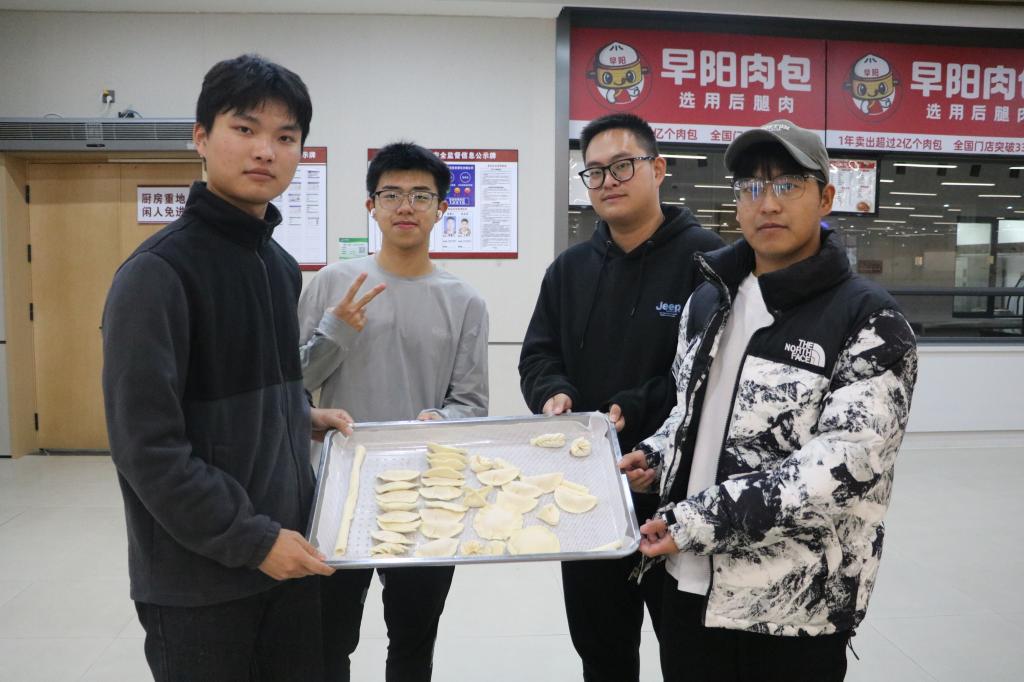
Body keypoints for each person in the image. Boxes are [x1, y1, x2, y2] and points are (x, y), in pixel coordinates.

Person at [619, 119, 918, 682]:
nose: (768, 203)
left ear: (825, 198)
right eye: (752, 187)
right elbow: (693, 413)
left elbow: (844, 466)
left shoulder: (869, 320)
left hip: (792, 610)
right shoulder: (709, 301)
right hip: (687, 585)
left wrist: (696, 520)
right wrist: (658, 456)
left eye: (788, 184)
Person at [102, 54, 352, 682]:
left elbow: (254, 388)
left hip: (289, 557)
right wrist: (253, 541)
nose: (266, 150)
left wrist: (299, 415)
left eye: (286, 137)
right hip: (200, 580)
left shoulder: (278, 266)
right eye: (245, 129)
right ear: (201, 137)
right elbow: (147, 448)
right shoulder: (156, 274)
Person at [519, 113, 724, 682]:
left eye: (623, 166)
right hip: (586, 491)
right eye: (594, 171)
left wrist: (633, 407)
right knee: (601, 648)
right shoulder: (569, 270)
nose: (608, 181)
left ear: (658, 169)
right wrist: (553, 392)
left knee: (690, 649)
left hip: (679, 492)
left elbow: (712, 374)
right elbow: (538, 355)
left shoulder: (709, 262)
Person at [298, 142, 489, 682]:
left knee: (412, 639)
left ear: (441, 209)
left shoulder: (465, 301)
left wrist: (442, 422)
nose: (406, 206)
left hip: (428, 493)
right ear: (372, 206)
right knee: (328, 637)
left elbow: (470, 404)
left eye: (421, 196)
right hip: (338, 492)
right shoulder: (334, 283)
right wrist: (334, 332)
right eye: (392, 194)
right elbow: (291, 383)